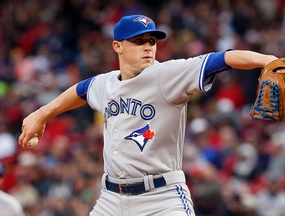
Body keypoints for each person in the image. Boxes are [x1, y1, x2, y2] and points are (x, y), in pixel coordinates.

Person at [19, 14, 279, 216]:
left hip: (161, 198)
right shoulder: (106, 83)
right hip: (111, 199)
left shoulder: (167, 75)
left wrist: (269, 60)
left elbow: (224, 58)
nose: (148, 47)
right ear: (117, 46)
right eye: (139, 41)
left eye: (152, 41)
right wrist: (42, 114)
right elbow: (81, 90)